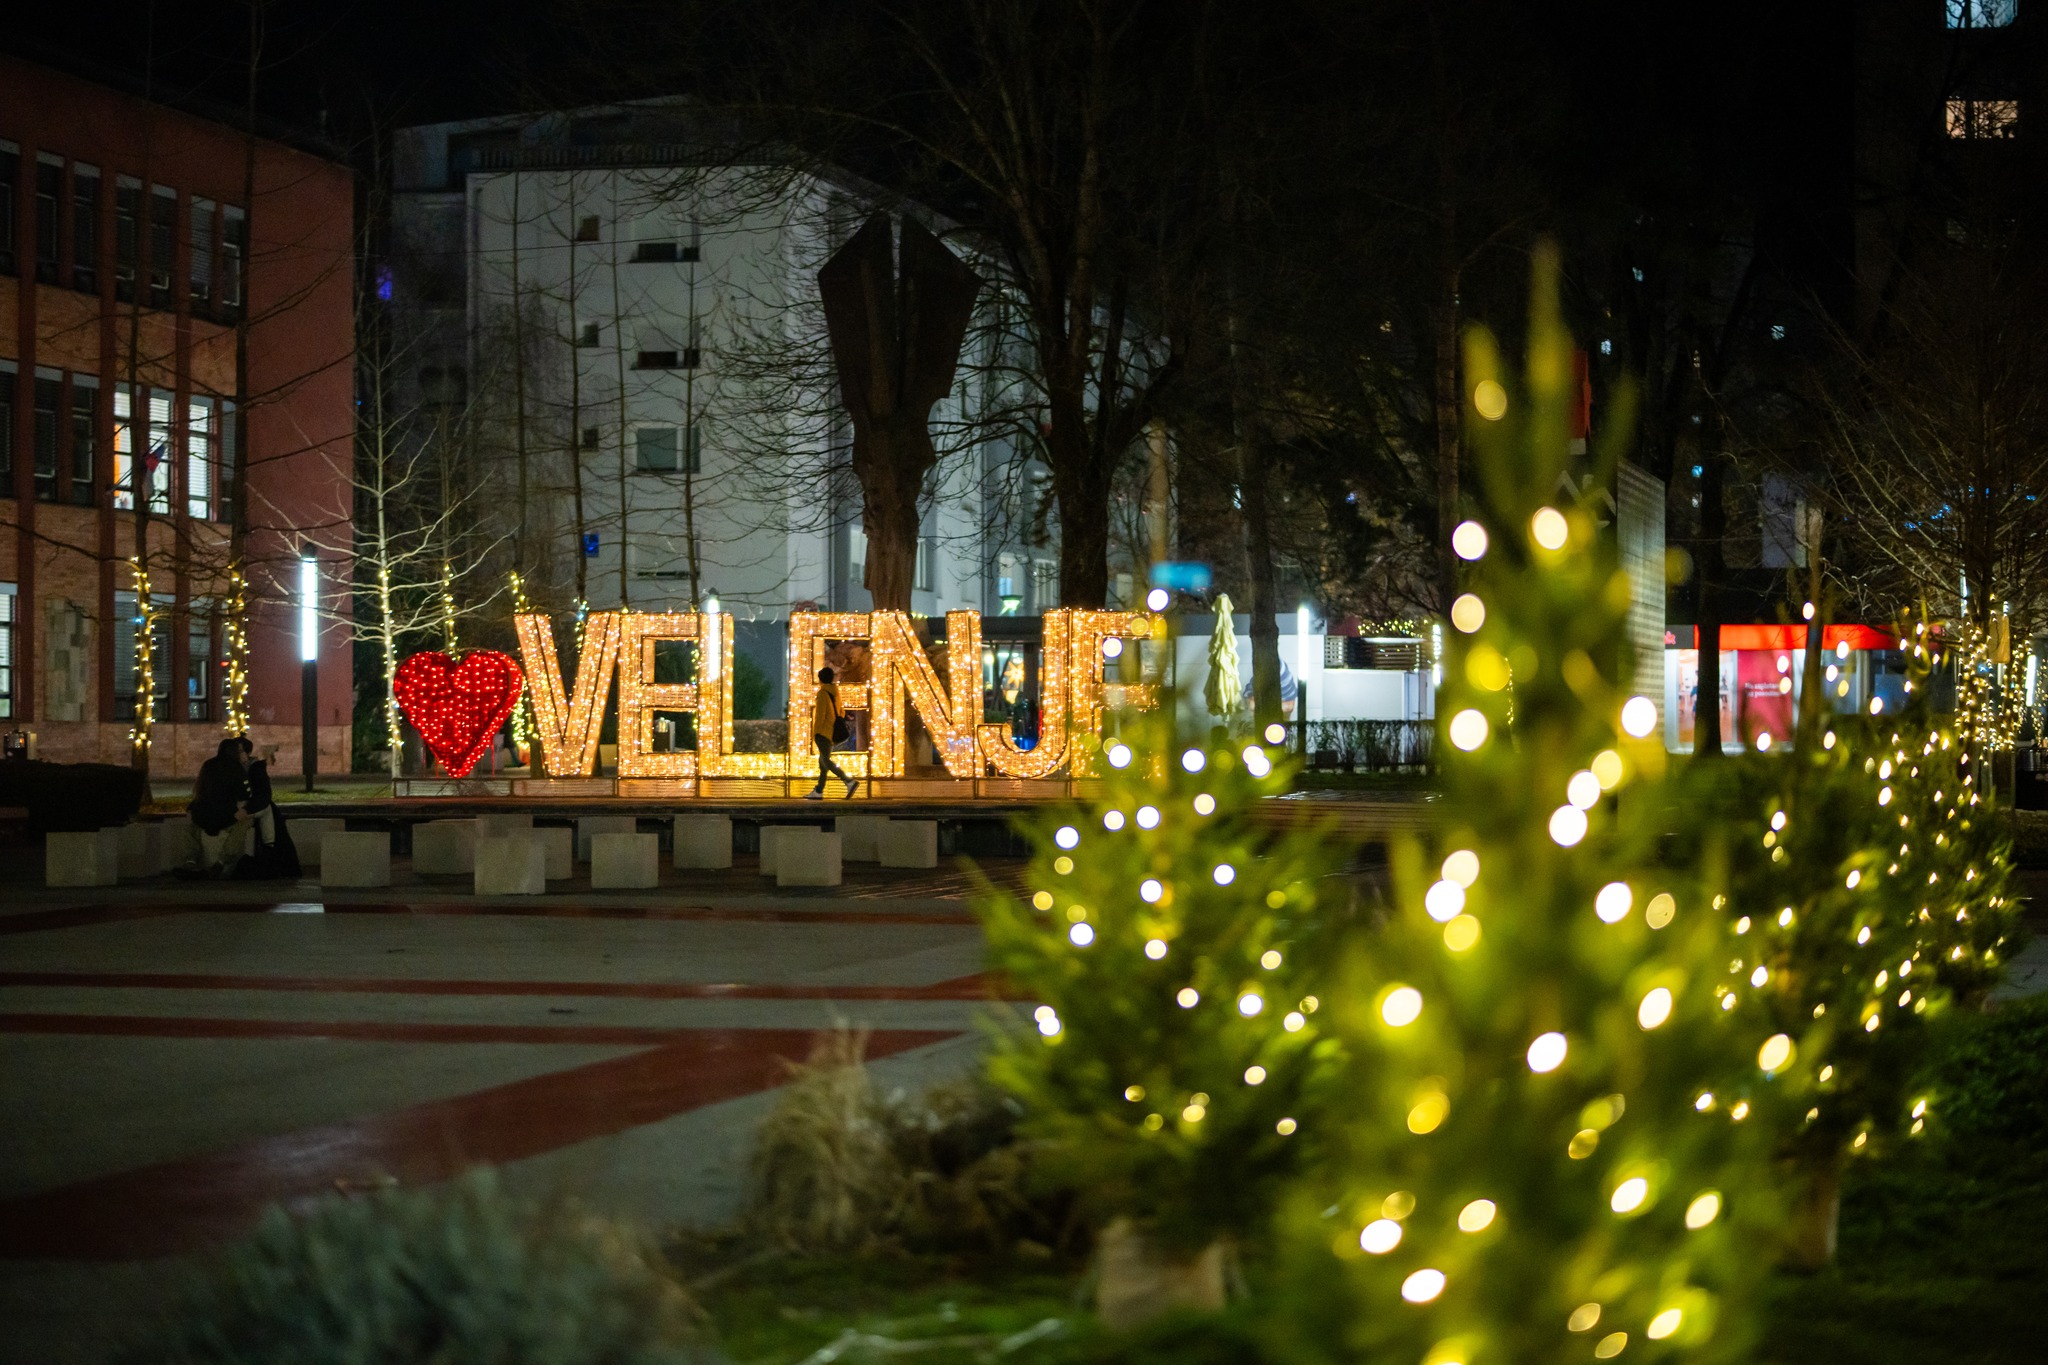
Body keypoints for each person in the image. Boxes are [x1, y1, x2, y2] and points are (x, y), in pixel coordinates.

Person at [234, 735, 301, 879]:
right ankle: (268, 846)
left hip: (254, 807)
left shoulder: (255, 769)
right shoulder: (229, 769)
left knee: (268, 811)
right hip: (244, 808)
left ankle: (269, 850)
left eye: (240, 751)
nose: (237, 755)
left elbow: (263, 795)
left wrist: (248, 808)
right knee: (267, 812)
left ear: (246, 753)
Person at [187, 737, 252, 875]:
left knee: (192, 827)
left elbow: (199, 789)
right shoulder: (236, 768)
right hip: (226, 815)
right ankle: (223, 861)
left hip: (203, 814)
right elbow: (245, 794)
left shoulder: (208, 765)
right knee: (245, 823)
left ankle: (190, 860)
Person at [805, 666, 857, 800]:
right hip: (832, 732)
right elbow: (842, 713)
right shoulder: (835, 693)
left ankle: (848, 781)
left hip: (823, 732)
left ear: (820, 679)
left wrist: (816, 733)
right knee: (822, 763)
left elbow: (820, 715)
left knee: (826, 761)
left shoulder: (823, 693)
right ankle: (818, 791)